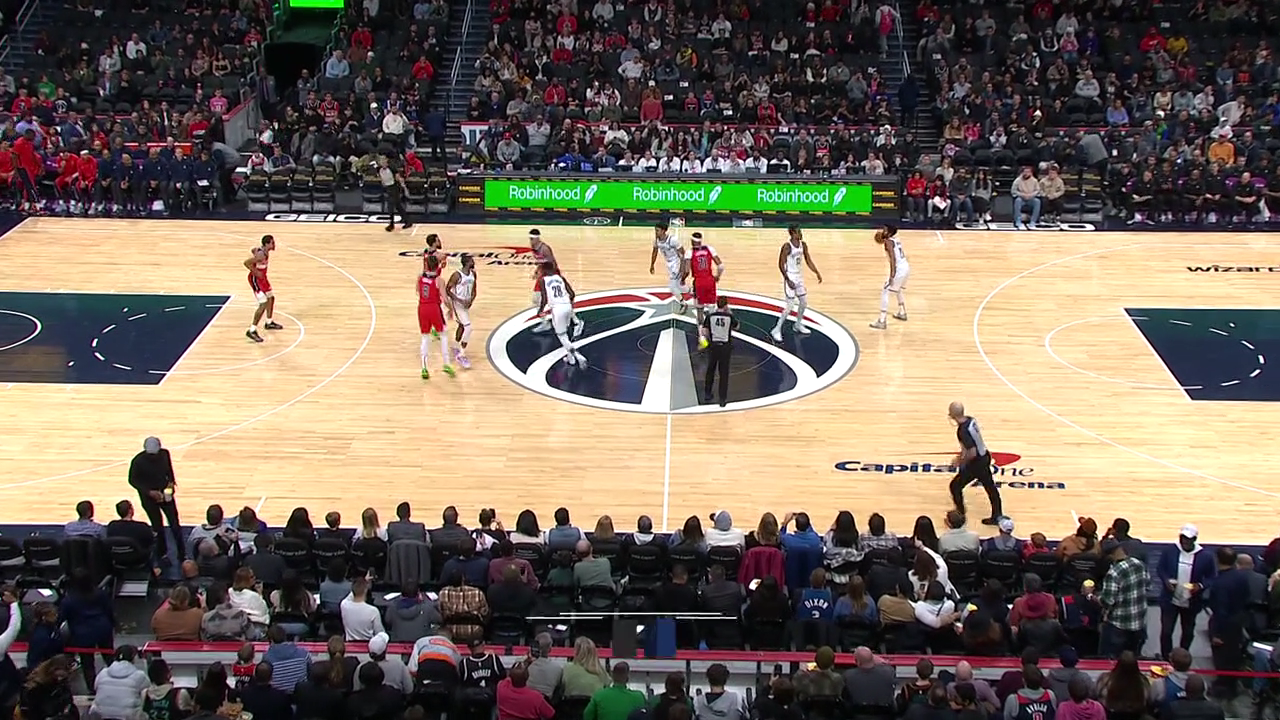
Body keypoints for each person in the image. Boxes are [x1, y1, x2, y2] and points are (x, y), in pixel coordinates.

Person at [1157, 524, 1215, 659]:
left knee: (1188, 631)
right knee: (1166, 631)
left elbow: (1212, 577)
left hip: (1192, 601)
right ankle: (1166, 657)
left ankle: (1182, 657)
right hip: (1170, 599)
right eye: (1183, 538)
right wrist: (1166, 581)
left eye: (1189, 539)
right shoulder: (1170, 551)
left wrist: (1200, 585)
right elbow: (1161, 569)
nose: (1185, 541)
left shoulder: (1205, 556)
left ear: (1194, 539)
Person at [946, 401, 1002, 525]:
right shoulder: (970, 420)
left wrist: (960, 461)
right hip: (984, 456)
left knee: (955, 486)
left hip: (976, 463)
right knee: (990, 488)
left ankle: (960, 514)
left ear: (952, 415)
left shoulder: (962, 430)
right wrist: (962, 456)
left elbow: (972, 452)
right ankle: (997, 515)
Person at [127, 436, 182, 561]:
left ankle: (182, 552)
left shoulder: (165, 454)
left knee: (175, 524)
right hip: (149, 498)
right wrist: (149, 492)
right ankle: (162, 553)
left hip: (165, 493)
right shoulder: (138, 461)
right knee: (158, 526)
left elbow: (169, 471)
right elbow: (132, 480)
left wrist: (171, 483)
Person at [61, 568, 116, 687]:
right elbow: (109, 610)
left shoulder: (69, 600)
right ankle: (118, 680)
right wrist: (113, 624)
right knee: (109, 657)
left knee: (87, 663)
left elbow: (62, 616)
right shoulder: (100, 593)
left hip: (82, 633)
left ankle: (92, 688)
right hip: (103, 628)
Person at [770, 223, 823, 342]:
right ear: (792, 233)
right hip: (790, 276)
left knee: (804, 302)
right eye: (798, 232)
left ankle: (798, 324)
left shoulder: (803, 245)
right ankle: (776, 329)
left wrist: (816, 272)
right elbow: (780, 264)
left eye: (800, 231)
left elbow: (808, 260)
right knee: (789, 306)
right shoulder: (787, 246)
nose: (801, 233)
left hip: (799, 277)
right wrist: (787, 279)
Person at [1097, 538, 1148, 657]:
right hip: (1139, 623)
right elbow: (1148, 585)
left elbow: (1107, 601)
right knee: (1132, 660)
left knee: (1111, 661)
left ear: (1109, 555)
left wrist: (1091, 596)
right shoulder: (1139, 564)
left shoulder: (1114, 573)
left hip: (1118, 626)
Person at [537, 261, 587, 367]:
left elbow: (544, 298)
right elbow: (572, 294)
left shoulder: (543, 280)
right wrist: (568, 303)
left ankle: (578, 356)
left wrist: (540, 310)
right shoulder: (561, 278)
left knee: (562, 336)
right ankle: (570, 359)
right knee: (566, 332)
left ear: (544, 270)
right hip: (567, 306)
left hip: (557, 309)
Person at [417, 254, 456, 379]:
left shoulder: (420, 277)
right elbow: (445, 298)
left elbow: (418, 291)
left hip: (422, 308)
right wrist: (450, 309)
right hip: (434, 308)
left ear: (426, 265)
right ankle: (446, 364)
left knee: (425, 337)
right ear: (437, 266)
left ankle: (424, 368)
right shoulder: (439, 280)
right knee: (443, 334)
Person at [90, 645, 149, 720]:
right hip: (128, 716)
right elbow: (149, 689)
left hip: (102, 714)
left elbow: (96, 687)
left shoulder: (103, 673)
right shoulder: (139, 675)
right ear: (133, 657)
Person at [687, 232, 724, 347]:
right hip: (710, 281)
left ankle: (702, 338)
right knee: (712, 309)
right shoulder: (709, 249)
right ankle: (715, 334)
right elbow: (721, 266)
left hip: (699, 282)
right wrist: (717, 277)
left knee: (700, 311)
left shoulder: (690, 252)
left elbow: (686, 270)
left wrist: (682, 279)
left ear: (692, 241)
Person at [702, 296, 739, 407]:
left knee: (710, 371)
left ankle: (707, 394)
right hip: (725, 347)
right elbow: (737, 327)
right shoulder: (729, 317)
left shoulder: (710, 316)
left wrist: (710, 339)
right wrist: (730, 313)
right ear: (726, 305)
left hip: (713, 346)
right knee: (724, 373)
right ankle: (722, 399)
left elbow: (704, 332)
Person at [243, 235, 282, 343]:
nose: (274, 245)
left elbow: (253, 249)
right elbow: (246, 263)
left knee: (271, 298)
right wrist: (256, 272)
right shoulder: (261, 255)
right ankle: (252, 330)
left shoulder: (263, 251)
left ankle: (269, 322)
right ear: (267, 244)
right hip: (256, 280)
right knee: (263, 303)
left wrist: (256, 251)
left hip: (263, 279)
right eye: (272, 243)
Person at [870, 224, 909, 330]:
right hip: (905, 267)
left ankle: (882, 321)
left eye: (885, 230)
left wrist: (892, 274)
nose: (883, 231)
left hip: (899, 269)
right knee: (898, 289)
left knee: (885, 291)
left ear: (890, 232)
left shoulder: (888, 242)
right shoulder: (895, 240)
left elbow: (893, 259)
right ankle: (902, 312)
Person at [445, 253, 478, 369]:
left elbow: (474, 289)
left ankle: (455, 345)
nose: (474, 262)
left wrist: (471, 300)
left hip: (466, 303)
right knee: (468, 328)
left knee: (461, 325)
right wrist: (459, 300)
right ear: (467, 263)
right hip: (458, 304)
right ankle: (461, 355)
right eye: (472, 261)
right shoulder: (457, 275)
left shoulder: (473, 274)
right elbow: (447, 290)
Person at [650, 220, 688, 314]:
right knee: (680, 286)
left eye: (657, 230)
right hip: (670, 264)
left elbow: (683, 253)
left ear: (663, 231)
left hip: (677, 263)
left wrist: (683, 267)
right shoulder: (656, 241)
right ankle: (694, 292)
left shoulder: (673, 240)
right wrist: (652, 265)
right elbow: (654, 252)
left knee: (672, 287)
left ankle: (683, 304)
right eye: (655, 230)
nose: (656, 232)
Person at [378, 155, 412, 233]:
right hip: (388, 188)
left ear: (387, 161)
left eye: (384, 161)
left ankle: (391, 224)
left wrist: (404, 188)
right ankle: (408, 221)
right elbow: (382, 178)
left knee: (390, 206)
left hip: (394, 188)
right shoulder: (379, 169)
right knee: (398, 206)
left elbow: (399, 178)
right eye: (381, 161)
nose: (383, 162)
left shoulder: (392, 168)